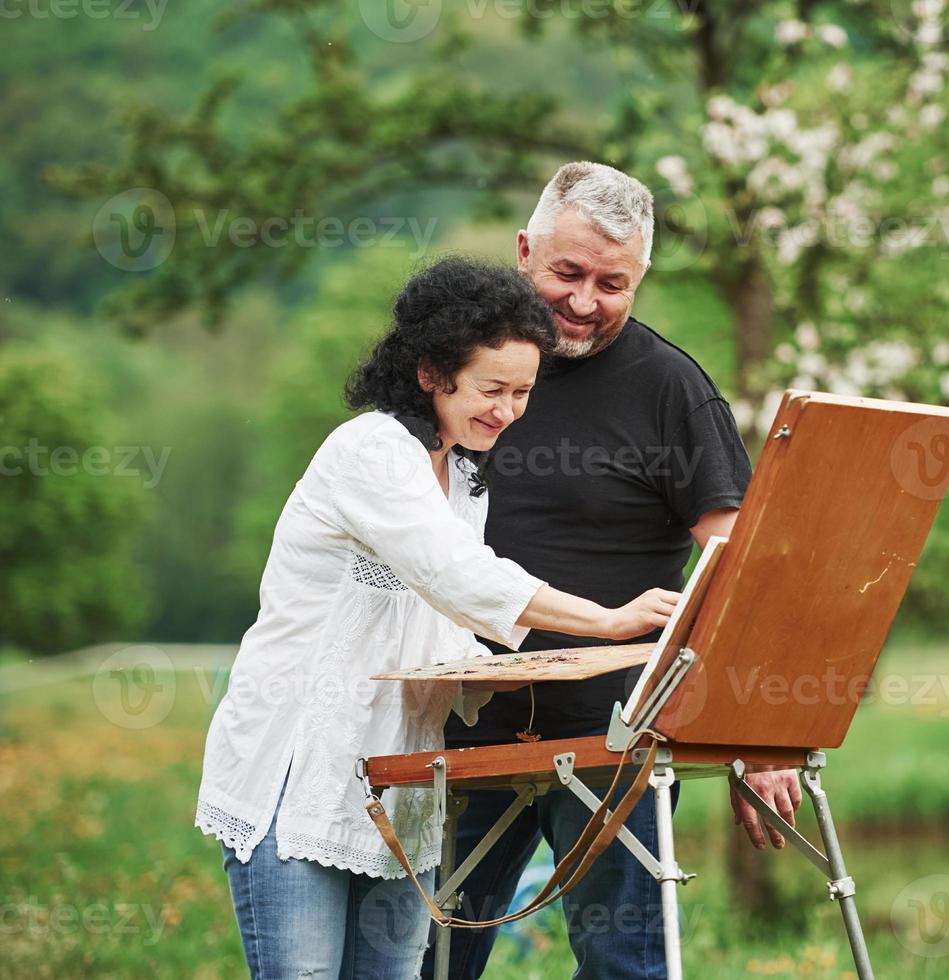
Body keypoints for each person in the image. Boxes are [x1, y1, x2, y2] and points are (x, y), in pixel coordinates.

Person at [194, 257, 680, 980]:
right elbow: (455, 575)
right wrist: (609, 623)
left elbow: (438, 628)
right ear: (429, 372)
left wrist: (513, 673)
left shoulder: (463, 475)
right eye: (492, 389)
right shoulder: (370, 452)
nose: (507, 411)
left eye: (522, 392)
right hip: (297, 775)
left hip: (398, 786)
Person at [427, 162, 804, 980]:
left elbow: (738, 564)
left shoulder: (669, 389)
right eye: (566, 273)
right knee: (422, 959)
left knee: (622, 965)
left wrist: (755, 736)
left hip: (615, 735)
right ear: (524, 250)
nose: (585, 301)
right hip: (449, 723)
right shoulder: (455, 364)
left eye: (613, 282)